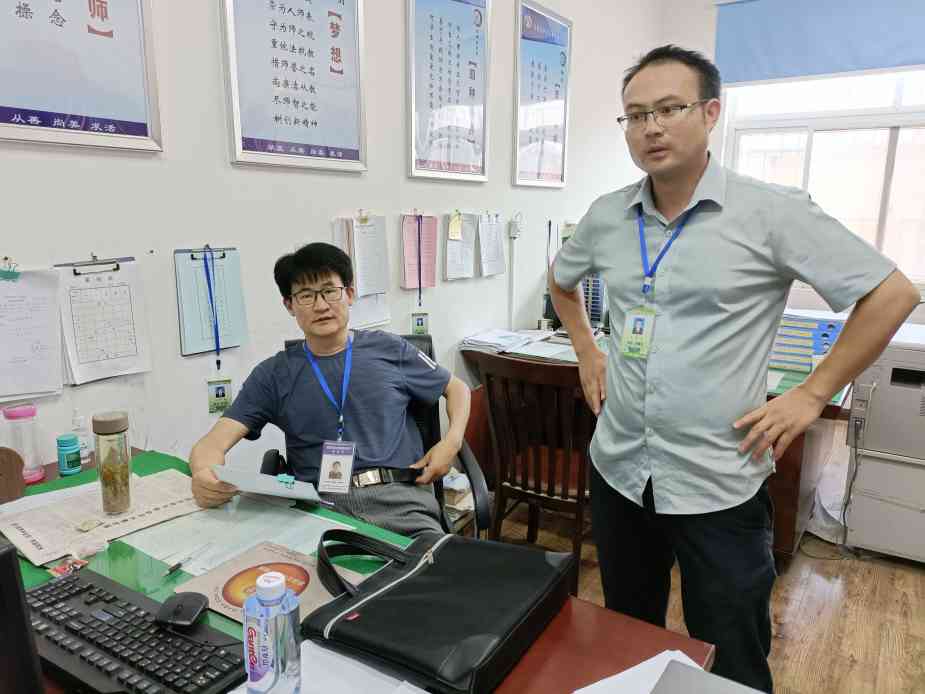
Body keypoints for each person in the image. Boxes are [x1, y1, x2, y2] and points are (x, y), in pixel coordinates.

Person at [549, 45, 920, 692]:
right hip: (620, 474)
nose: (651, 128)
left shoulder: (771, 211)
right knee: (628, 638)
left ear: (711, 112)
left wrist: (813, 393)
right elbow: (560, 281)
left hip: (718, 481)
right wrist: (586, 347)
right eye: (635, 115)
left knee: (733, 660)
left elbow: (892, 294)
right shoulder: (608, 215)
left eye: (670, 108)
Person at [190, 242, 471, 538]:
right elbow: (211, 445)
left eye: (329, 291)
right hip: (318, 511)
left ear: (349, 294)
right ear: (289, 305)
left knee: (434, 564)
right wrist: (203, 475)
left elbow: (457, 388)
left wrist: (451, 442)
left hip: (401, 503)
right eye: (306, 295)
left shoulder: (389, 349)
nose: (321, 305)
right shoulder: (273, 375)